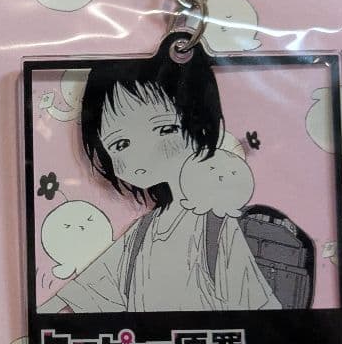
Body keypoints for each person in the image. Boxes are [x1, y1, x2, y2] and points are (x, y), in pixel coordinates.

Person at [39, 35, 280, 313]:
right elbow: (82, 293)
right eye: (121, 144)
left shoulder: (218, 226)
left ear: (201, 122)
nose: (143, 154)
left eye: (165, 129)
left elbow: (265, 312)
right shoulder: (142, 232)